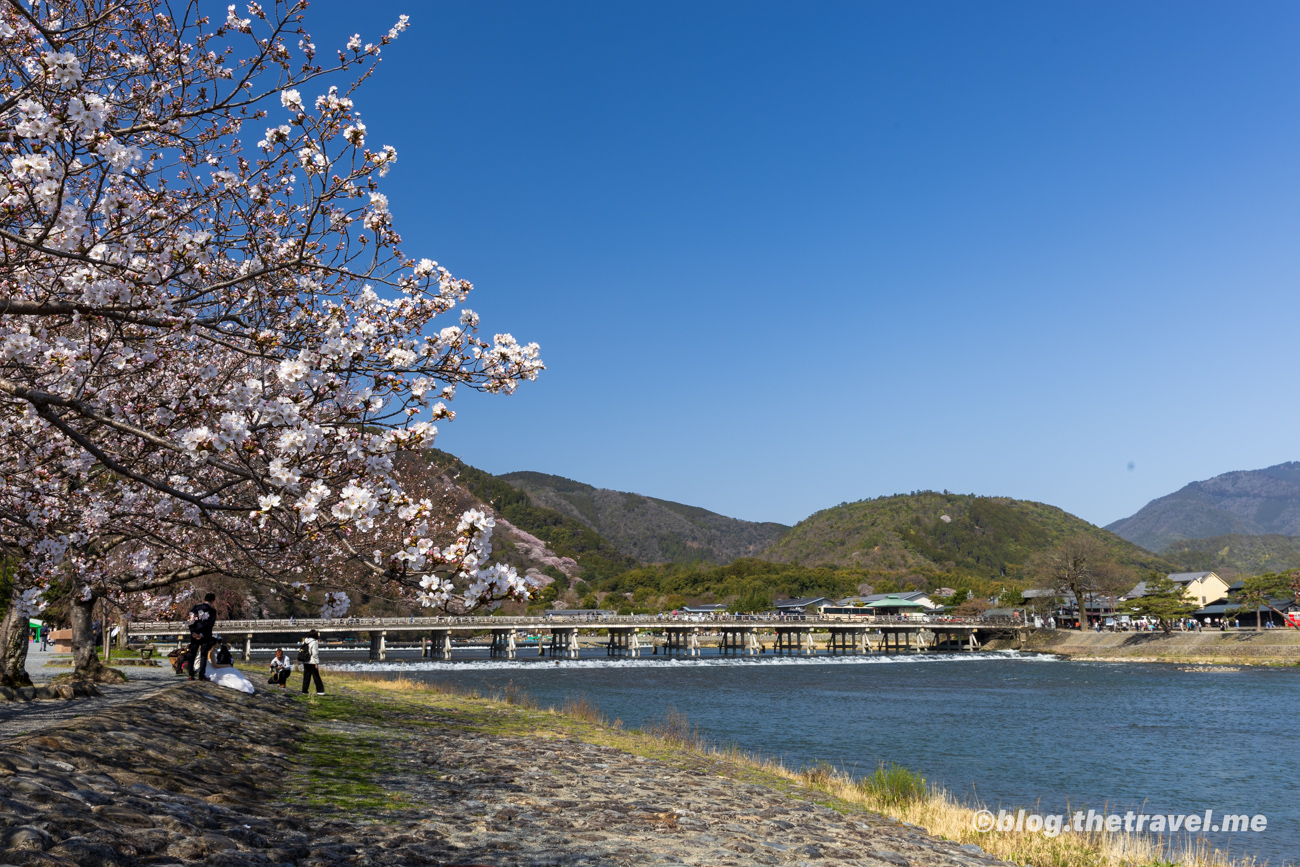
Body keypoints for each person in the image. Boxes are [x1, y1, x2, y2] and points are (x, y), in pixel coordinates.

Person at [184, 593, 219, 681]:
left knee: (192, 654)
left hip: (195, 634)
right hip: (205, 635)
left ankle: (191, 675)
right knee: (203, 655)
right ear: (212, 601)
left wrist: (193, 632)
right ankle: (201, 675)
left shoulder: (195, 608)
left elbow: (190, 621)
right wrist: (202, 634)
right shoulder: (212, 611)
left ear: (204, 598)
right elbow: (210, 624)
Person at [300, 629, 325, 694]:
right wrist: (316, 662)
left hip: (305, 660)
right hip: (312, 661)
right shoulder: (314, 642)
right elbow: (314, 653)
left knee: (306, 677)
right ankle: (320, 691)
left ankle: (304, 691)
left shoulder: (305, 641)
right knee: (316, 676)